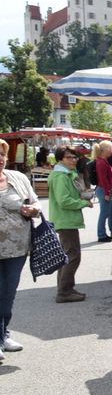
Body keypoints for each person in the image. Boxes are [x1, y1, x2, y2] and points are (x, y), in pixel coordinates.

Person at [0, 139, 41, 356]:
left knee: (8, 294)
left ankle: (4, 334)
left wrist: (32, 210)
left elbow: (36, 202)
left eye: (2, 154)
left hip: (17, 247)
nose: (0, 158)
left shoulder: (18, 178)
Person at [47, 147, 94, 303]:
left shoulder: (64, 174)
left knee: (66, 256)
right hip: (65, 220)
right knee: (73, 256)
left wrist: (82, 196)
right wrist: (83, 203)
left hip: (65, 220)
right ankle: (64, 291)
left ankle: (65, 289)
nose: (73, 160)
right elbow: (64, 201)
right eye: (69, 157)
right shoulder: (61, 176)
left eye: (75, 157)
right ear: (61, 159)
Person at [91, 140, 112, 242]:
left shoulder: (103, 161)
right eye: (110, 148)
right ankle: (101, 235)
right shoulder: (101, 162)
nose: (111, 151)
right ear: (105, 150)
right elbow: (103, 179)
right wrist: (107, 193)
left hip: (103, 189)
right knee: (104, 213)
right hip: (103, 190)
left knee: (105, 213)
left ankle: (103, 234)